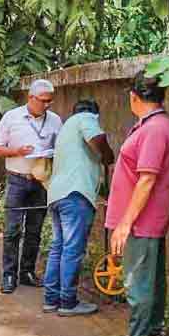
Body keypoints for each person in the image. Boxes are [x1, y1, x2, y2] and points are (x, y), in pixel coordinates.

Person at [97, 72, 169, 336]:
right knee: (152, 279)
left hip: (141, 221)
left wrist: (124, 223)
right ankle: (151, 334)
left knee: (137, 283)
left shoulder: (155, 129)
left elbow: (146, 180)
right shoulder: (154, 126)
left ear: (134, 97)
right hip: (146, 219)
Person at [0, 79, 63, 294]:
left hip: (41, 182)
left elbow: (61, 147)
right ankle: (9, 274)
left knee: (35, 230)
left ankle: (27, 272)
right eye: (43, 100)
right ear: (31, 98)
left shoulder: (55, 121)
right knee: (12, 230)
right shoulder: (12, 118)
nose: (47, 105)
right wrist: (17, 151)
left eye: (50, 101)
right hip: (17, 179)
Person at [43, 100, 115, 317]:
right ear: (94, 114)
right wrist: (107, 155)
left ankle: (51, 299)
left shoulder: (66, 128)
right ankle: (68, 302)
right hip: (75, 195)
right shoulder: (86, 118)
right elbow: (96, 139)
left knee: (59, 247)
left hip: (57, 195)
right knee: (72, 249)